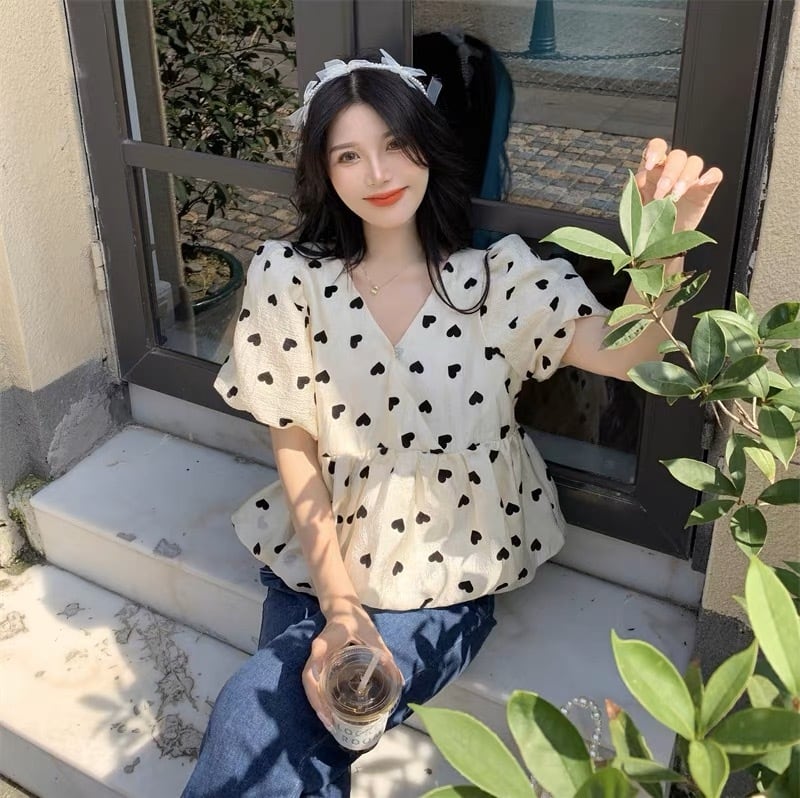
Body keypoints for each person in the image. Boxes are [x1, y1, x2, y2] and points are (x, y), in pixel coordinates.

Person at [181, 50, 722, 797]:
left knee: (264, 716)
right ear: (324, 172)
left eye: (396, 144)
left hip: (444, 577)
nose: (378, 173)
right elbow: (294, 443)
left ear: (429, 148)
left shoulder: (498, 281)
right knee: (302, 729)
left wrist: (662, 242)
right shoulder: (289, 278)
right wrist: (340, 607)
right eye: (348, 155)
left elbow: (632, 355)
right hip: (318, 566)